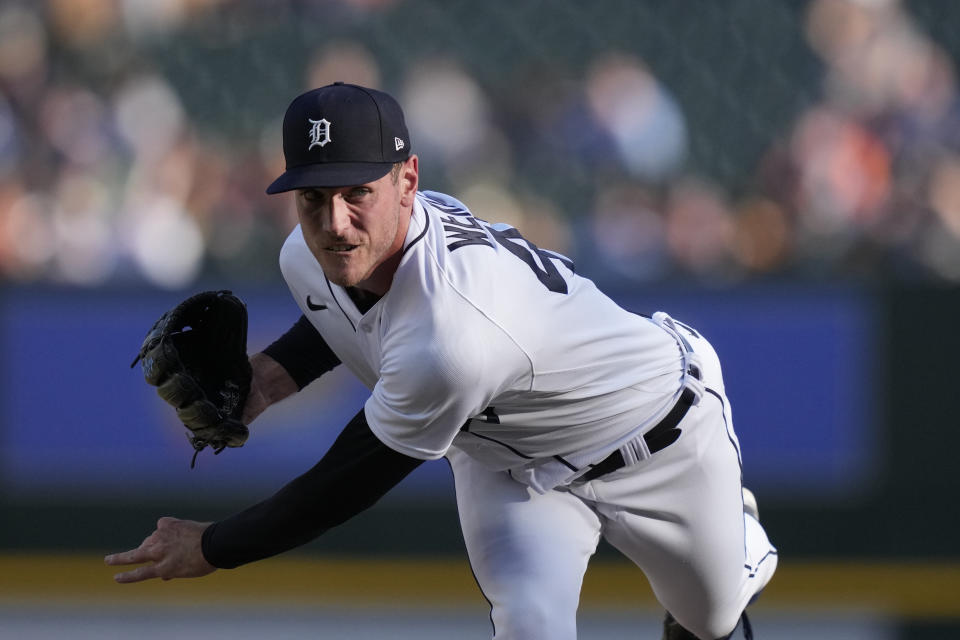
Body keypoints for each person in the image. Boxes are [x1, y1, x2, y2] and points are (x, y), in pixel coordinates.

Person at [105, 82, 777, 640]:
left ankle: (733, 536)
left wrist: (214, 546)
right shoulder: (308, 256)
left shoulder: (454, 329)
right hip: (508, 465)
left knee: (710, 621)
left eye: (356, 193)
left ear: (408, 180)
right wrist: (265, 383)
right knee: (531, 627)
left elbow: (348, 480)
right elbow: (338, 316)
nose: (334, 221)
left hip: (657, 432)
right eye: (313, 197)